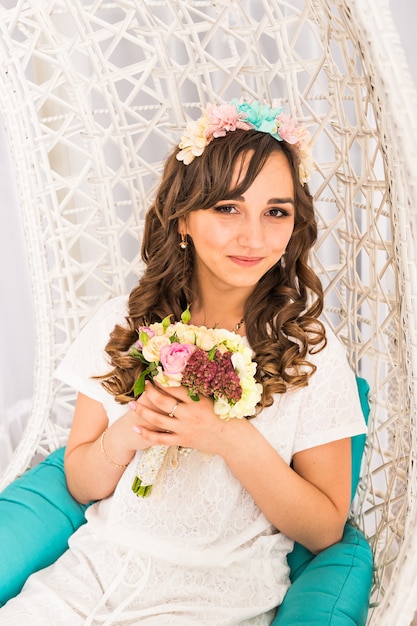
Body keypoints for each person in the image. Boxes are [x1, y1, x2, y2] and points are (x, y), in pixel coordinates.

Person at [0, 99, 367, 624]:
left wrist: (228, 437)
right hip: (88, 583)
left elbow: (326, 529)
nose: (254, 237)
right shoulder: (122, 322)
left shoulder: (308, 347)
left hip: (215, 603)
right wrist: (129, 431)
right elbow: (80, 482)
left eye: (275, 212)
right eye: (226, 208)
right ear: (183, 220)